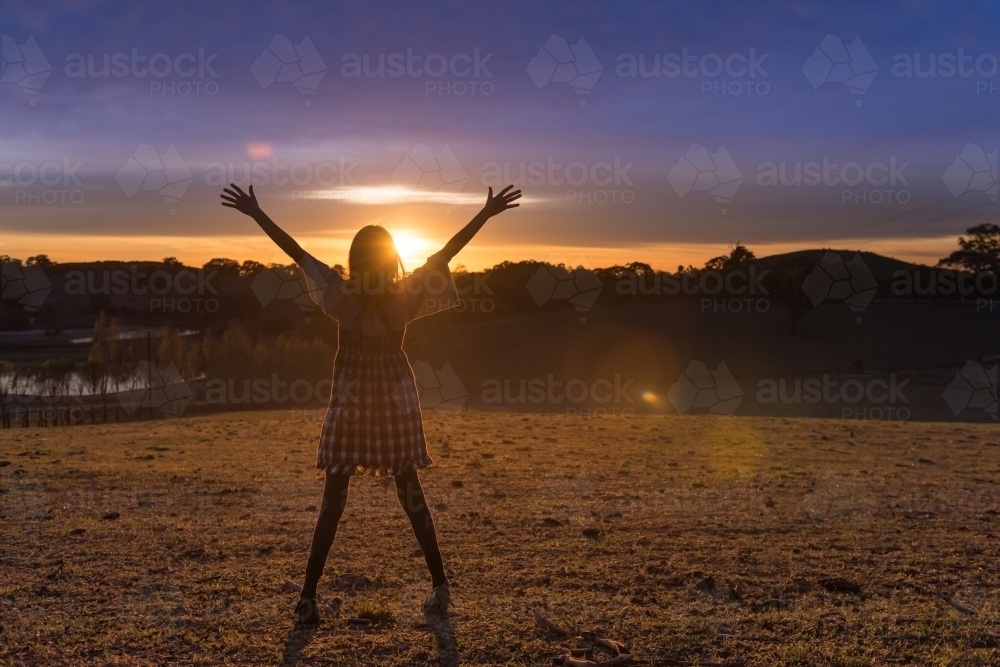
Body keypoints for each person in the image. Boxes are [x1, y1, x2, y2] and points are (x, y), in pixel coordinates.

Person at [220, 182, 522, 624]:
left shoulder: (340, 294)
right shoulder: (406, 294)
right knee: (410, 492)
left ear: (354, 259)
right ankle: (440, 587)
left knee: (334, 499)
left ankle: (308, 598)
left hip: (351, 401)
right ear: (389, 257)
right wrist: (485, 213)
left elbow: (296, 253)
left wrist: (257, 213)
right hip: (395, 399)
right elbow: (447, 253)